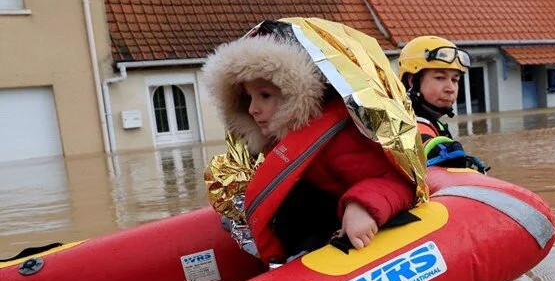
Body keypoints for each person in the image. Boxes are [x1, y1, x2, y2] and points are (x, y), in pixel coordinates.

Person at [202, 24, 416, 261]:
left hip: (343, 243)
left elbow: (399, 182)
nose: (252, 109)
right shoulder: (279, 143)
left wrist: (362, 207)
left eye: (265, 95)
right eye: (248, 98)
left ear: (296, 93)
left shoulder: (338, 141)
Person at [398, 35, 488, 172]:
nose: (450, 88)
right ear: (412, 81)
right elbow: (422, 141)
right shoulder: (408, 124)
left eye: (455, 80)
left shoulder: (431, 122)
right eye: (440, 78)